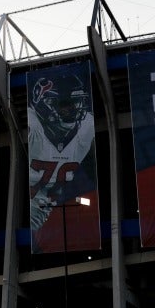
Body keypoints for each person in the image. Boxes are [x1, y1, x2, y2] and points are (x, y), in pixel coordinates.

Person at [27, 73, 95, 249]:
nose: (72, 110)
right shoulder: (34, 130)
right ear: (43, 104)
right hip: (34, 206)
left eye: (76, 103)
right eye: (65, 105)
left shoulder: (86, 127)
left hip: (50, 207)